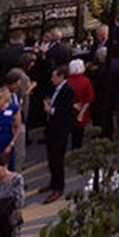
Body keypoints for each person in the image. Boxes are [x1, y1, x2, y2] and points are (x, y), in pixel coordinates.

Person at [40, 67, 73, 202]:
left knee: (58, 158)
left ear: (61, 77)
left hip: (60, 129)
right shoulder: (56, 89)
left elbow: (65, 110)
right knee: (51, 157)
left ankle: (59, 186)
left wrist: (51, 110)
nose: (52, 79)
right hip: (51, 127)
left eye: (54, 77)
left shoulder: (68, 90)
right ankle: (53, 182)